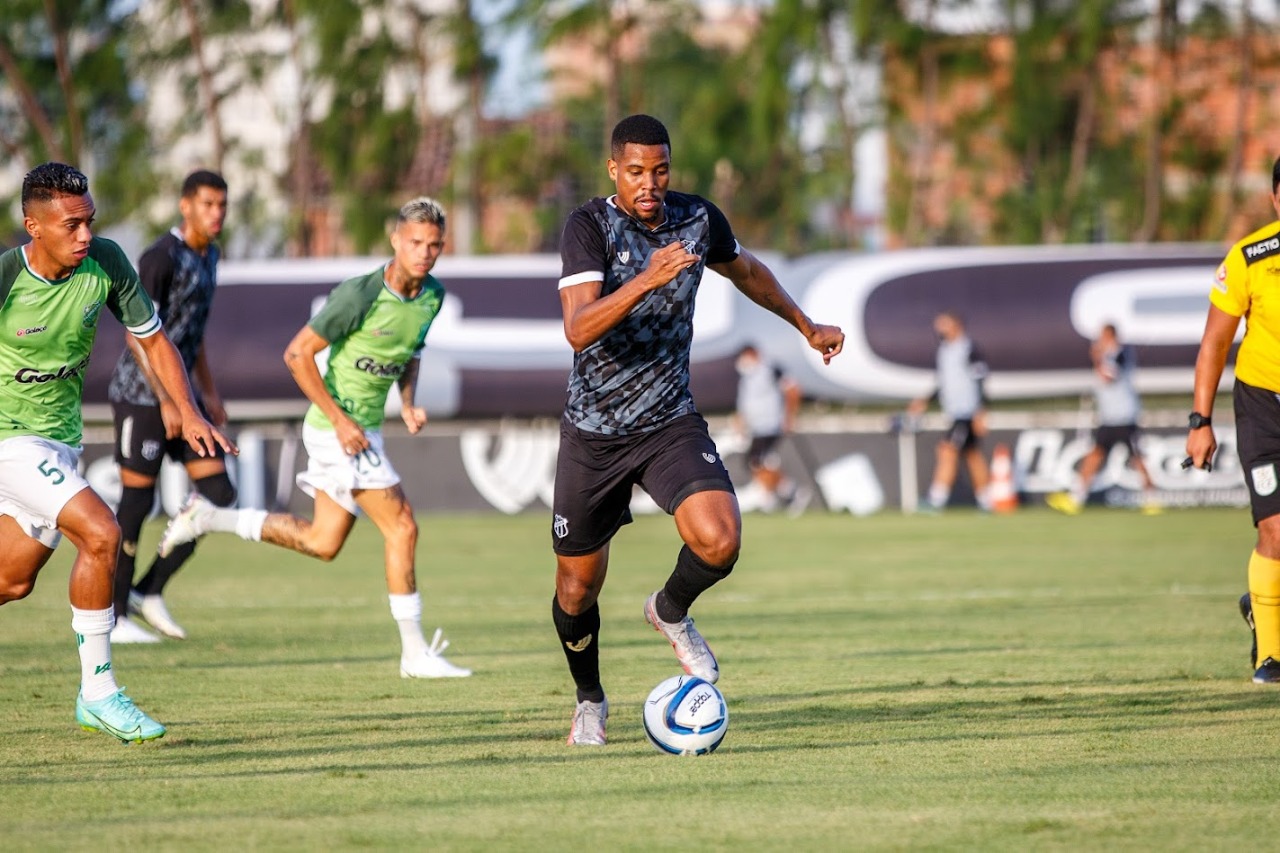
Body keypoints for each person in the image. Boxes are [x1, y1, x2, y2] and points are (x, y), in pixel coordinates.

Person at [552, 114, 845, 746]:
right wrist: (646, 279)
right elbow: (578, 329)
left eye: (659, 170)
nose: (649, 183)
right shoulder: (589, 226)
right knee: (576, 589)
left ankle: (669, 610)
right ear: (613, 170)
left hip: (668, 420)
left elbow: (746, 271)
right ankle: (589, 700)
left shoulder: (697, 219)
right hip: (594, 432)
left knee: (720, 539)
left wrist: (805, 324)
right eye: (635, 172)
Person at [156, 196, 471, 679]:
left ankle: (210, 517)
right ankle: (414, 653)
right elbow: (296, 355)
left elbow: (411, 352)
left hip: (362, 430)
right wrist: (341, 420)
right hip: (336, 430)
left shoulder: (432, 296)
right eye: (415, 243)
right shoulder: (361, 294)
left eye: (433, 245)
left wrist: (407, 402)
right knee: (402, 526)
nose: (424, 253)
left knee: (324, 542)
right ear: (395, 239)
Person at [0, 162, 235, 742]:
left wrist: (188, 408)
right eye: (70, 225)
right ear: (33, 225)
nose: (85, 235)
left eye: (89, 222)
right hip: (8, 441)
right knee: (102, 533)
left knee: (12, 582)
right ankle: (99, 693)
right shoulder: (6, 275)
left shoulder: (106, 261)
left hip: (59, 442)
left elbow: (156, 341)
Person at [107, 170, 232, 644]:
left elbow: (191, 333)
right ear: (186, 206)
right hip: (141, 396)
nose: (216, 213)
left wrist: (207, 392)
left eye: (221, 204)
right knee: (137, 502)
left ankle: (149, 590)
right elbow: (138, 334)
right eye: (207, 204)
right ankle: (115, 617)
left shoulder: (211, 255)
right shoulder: (159, 257)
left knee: (219, 493)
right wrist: (166, 400)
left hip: (185, 397)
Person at [1187, 154, 1280, 684]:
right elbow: (1215, 342)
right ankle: (1272, 654)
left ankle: (1263, 603)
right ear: (1275, 199)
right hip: (1264, 403)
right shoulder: (1251, 257)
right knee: (1276, 529)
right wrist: (1200, 419)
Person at [1047, 324, 1162, 516]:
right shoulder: (1112, 354)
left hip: (1124, 416)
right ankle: (1076, 498)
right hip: (1109, 418)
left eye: (1103, 336)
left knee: (1137, 459)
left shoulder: (1120, 354)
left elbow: (1108, 376)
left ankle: (1152, 499)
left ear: (1111, 336)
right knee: (1094, 455)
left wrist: (1097, 357)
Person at [906, 310, 991, 512]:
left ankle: (937, 499)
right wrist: (925, 400)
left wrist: (981, 410)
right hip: (955, 411)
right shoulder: (944, 350)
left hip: (967, 411)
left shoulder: (968, 348)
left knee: (947, 450)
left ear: (956, 325)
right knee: (972, 455)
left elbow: (980, 380)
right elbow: (944, 383)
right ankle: (987, 501)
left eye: (944, 325)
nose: (940, 330)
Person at [732, 343, 810, 514]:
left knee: (757, 461)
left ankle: (780, 496)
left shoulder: (771, 369)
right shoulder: (747, 377)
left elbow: (793, 389)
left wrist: (790, 417)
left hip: (771, 425)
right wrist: (740, 423)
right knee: (759, 462)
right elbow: (745, 404)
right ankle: (780, 494)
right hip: (756, 427)